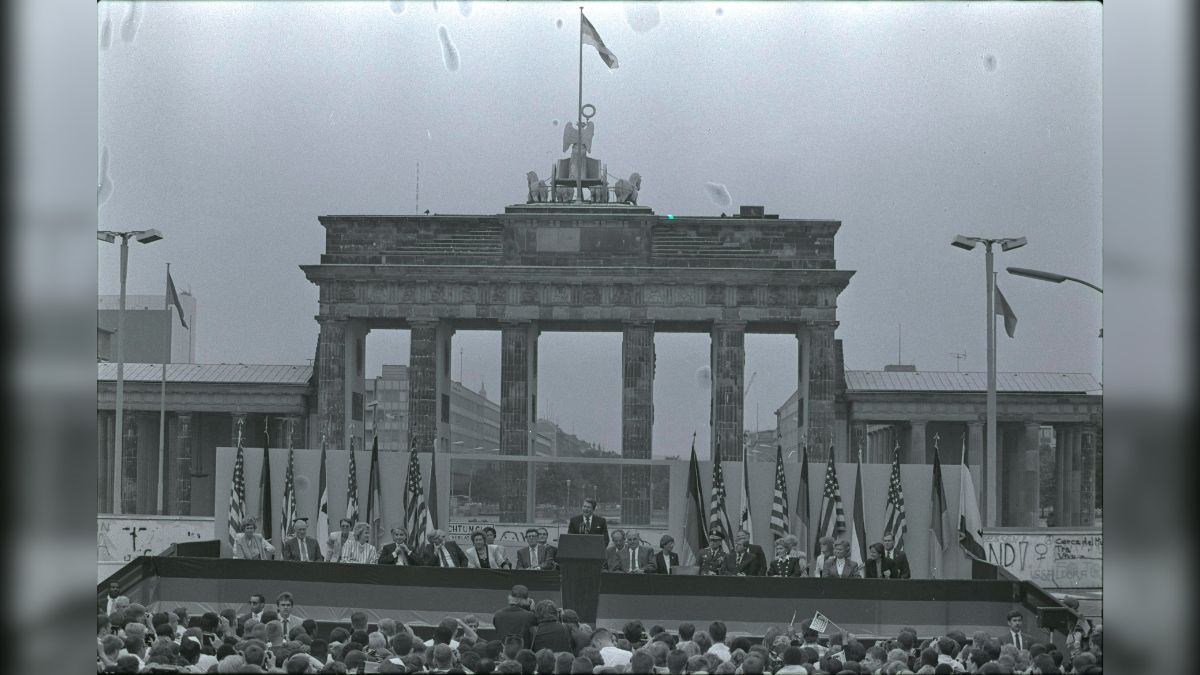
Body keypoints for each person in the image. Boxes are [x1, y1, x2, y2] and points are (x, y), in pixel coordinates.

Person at [492, 585, 538, 651]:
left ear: (510, 597)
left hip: (503, 654)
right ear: (525, 600)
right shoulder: (530, 616)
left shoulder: (498, 615)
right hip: (521, 656)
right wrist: (532, 610)